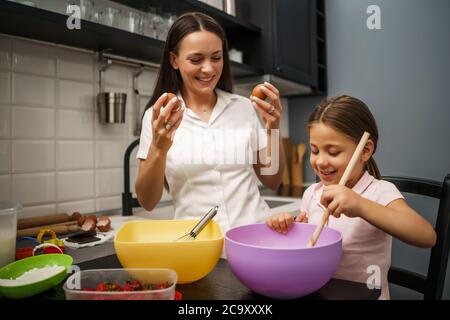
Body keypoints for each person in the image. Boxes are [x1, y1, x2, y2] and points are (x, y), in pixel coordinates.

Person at [266, 95, 436, 299]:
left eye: (334, 152)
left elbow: (427, 236)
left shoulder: (380, 192)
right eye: (314, 150)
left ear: (365, 151)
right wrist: (289, 228)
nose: (320, 161)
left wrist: (360, 205)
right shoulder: (312, 193)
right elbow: (308, 247)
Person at [135, 12, 286, 235]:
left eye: (216, 58)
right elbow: (147, 201)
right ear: (174, 60)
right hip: (199, 246)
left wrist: (273, 127)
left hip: (254, 237)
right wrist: (159, 147)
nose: (209, 69)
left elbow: (272, 179)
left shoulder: (243, 107)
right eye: (196, 60)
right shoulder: (157, 117)